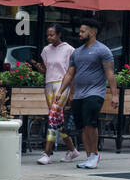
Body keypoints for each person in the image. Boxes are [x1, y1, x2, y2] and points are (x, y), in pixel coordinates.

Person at [57, 18, 116, 169]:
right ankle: (89, 156)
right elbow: (70, 74)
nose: (80, 34)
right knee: (82, 126)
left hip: (95, 93)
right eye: (80, 31)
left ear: (93, 32)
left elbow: (110, 74)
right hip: (79, 95)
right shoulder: (77, 53)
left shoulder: (103, 50)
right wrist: (61, 91)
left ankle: (95, 154)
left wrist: (115, 95)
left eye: (83, 31)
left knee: (91, 123)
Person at [36, 25, 80, 164]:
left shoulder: (69, 50)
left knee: (52, 116)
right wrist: (40, 68)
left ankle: (47, 154)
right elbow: (47, 70)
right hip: (49, 85)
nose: (49, 37)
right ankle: (72, 150)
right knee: (57, 120)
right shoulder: (46, 50)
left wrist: (72, 92)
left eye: (52, 35)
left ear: (59, 34)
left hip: (62, 85)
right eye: (48, 35)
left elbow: (72, 73)